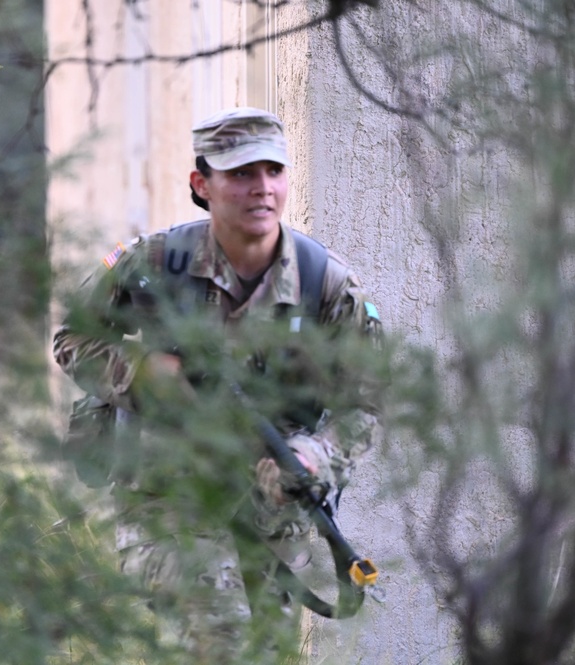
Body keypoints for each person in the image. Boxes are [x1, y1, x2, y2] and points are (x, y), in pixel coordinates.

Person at [52, 107, 384, 662]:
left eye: (272, 171)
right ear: (201, 185)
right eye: (240, 174)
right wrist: (139, 374)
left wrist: (313, 456)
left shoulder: (323, 280)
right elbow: (72, 337)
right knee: (220, 644)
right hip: (166, 499)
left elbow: (367, 401)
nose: (262, 189)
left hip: (268, 511)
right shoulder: (155, 263)